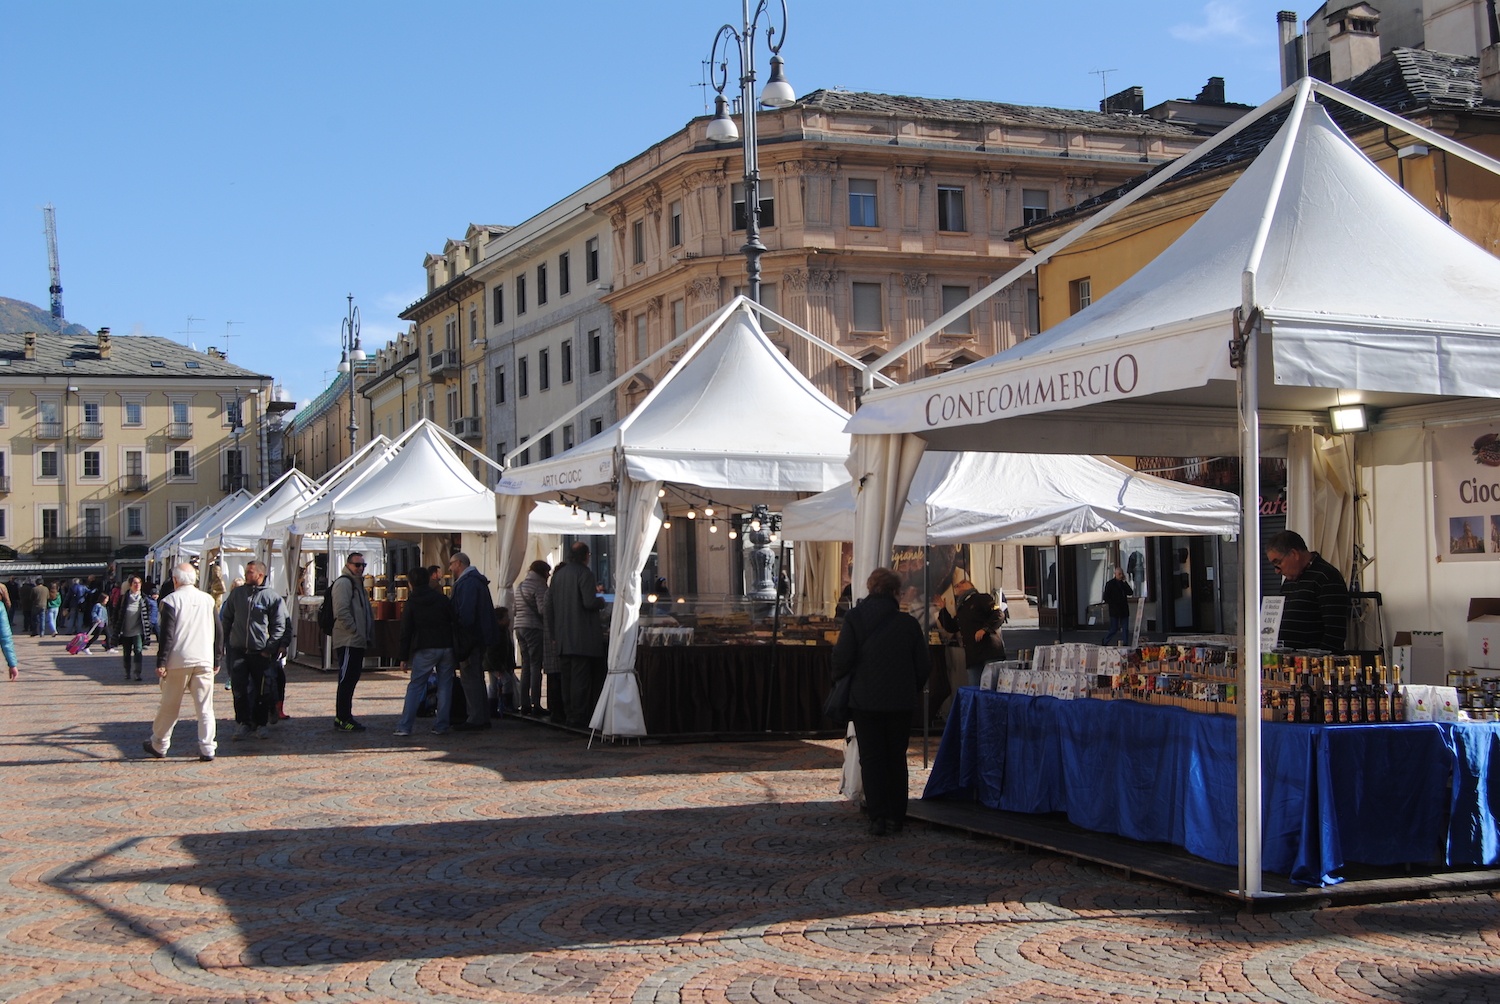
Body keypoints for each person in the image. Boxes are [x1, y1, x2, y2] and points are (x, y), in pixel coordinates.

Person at [832, 567, 928, 837]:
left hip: (865, 701)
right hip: (900, 702)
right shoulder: (908, 623)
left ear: (870, 589)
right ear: (896, 592)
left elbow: (841, 659)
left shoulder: (854, 618)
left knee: (872, 759)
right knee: (896, 758)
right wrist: (909, 688)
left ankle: (877, 818)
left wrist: (846, 682)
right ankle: (897, 817)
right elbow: (923, 665)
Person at [141, 563, 222, 761]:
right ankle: (207, 747)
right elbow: (219, 630)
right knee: (205, 707)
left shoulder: (170, 600)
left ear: (175, 580)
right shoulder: (208, 599)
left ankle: (159, 743)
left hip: (178, 659)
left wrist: (161, 661)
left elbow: (167, 634)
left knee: (169, 705)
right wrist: (217, 657)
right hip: (203, 658)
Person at [220, 560, 291, 742]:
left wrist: (270, 648)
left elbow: (280, 625)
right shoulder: (237, 594)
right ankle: (243, 722)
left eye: (250, 572)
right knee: (239, 689)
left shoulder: (271, 597)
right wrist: (221, 642)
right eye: (246, 571)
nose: (246, 574)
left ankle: (261, 723)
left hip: (261, 652)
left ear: (260, 575)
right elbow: (226, 619)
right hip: (238, 650)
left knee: (262, 691)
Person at [544, 541, 606, 729]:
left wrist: (554, 633)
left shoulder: (558, 576)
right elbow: (589, 602)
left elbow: (549, 607)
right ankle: (578, 716)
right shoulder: (585, 574)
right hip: (582, 636)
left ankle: (569, 713)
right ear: (586, 556)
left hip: (562, 637)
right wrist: (601, 601)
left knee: (567, 678)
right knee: (580, 679)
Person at [394, 566, 457, 736]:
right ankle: (441, 724)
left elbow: (406, 631)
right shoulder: (441, 599)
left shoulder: (412, 602)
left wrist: (403, 656)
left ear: (411, 583)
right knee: (445, 686)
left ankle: (405, 725)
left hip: (425, 646)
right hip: (445, 645)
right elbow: (453, 620)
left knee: (416, 686)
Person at [1265, 529, 1349, 652]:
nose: (1277, 571)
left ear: (1294, 554)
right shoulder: (1289, 581)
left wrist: (1317, 660)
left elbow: (1335, 632)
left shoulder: (1327, 577)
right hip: (1287, 659)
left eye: (1278, 563)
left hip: (1311, 661)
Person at [448, 551, 500, 731]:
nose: (450, 568)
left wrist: (462, 634)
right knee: (475, 677)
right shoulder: (475, 581)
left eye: (451, 564)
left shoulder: (468, 582)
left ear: (459, 563)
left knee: (470, 677)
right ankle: (481, 716)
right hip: (478, 636)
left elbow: (467, 613)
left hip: (470, 638)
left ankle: (475, 717)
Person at [330, 552, 375, 731]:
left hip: (356, 639)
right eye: (357, 565)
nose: (361, 568)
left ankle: (343, 716)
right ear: (348, 565)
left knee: (351, 678)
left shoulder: (358, 584)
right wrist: (354, 630)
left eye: (363, 565)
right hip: (348, 639)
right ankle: (343, 717)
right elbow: (341, 610)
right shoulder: (344, 583)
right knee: (347, 678)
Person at [938, 584, 1005, 689]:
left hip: (989, 651)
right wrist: (943, 610)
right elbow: (952, 627)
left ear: (968, 585)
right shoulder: (962, 607)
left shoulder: (982, 598)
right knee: (974, 688)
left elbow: (998, 614)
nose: (957, 587)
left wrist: (985, 629)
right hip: (972, 655)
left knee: (991, 686)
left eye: (960, 584)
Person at [513, 560, 550, 716]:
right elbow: (542, 609)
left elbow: (514, 609)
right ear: (542, 572)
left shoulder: (521, 585)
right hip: (533, 627)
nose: (549, 575)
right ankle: (536, 703)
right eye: (547, 572)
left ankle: (524, 703)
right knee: (535, 665)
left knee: (525, 665)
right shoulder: (539, 585)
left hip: (519, 627)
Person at [111, 576, 154, 680]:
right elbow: (116, 613)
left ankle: (137, 673)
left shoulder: (143, 599)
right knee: (127, 652)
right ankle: (127, 672)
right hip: (125, 630)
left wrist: (148, 624)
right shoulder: (123, 598)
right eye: (135, 583)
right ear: (130, 585)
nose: (137, 585)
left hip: (138, 630)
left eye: (139, 583)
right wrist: (115, 625)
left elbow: (148, 613)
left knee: (138, 650)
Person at [1100, 567, 1134, 646]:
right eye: (1119, 574)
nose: (1121, 575)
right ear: (1115, 574)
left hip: (1123, 609)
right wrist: (1112, 604)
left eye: (1122, 574)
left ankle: (1125, 643)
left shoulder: (1123, 583)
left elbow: (1130, 592)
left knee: (1125, 628)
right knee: (1114, 628)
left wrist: (1125, 582)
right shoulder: (1110, 584)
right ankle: (1105, 640)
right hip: (1115, 609)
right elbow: (1106, 597)